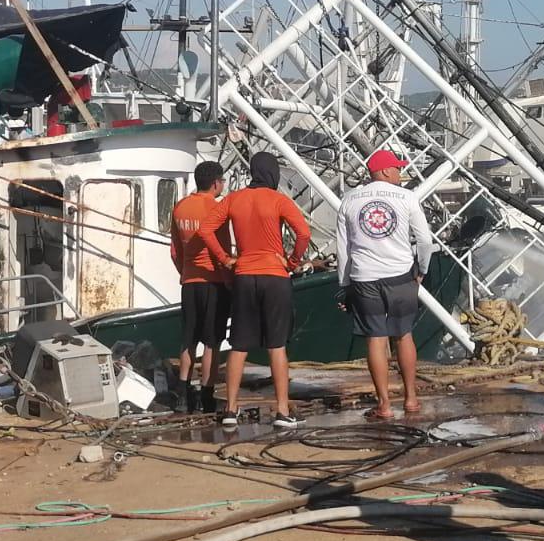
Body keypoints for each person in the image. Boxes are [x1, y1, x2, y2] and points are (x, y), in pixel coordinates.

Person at [204, 152, 311, 428]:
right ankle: (282, 410)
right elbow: (303, 234)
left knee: (238, 345)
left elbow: (205, 230)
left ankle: (230, 409)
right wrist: (292, 262)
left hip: (243, 276)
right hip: (274, 276)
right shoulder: (278, 200)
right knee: (276, 345)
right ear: (273, 173)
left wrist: (225, 259)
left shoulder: (234, 199)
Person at [336, 148, 435, 421]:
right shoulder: (407, 197)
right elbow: (425, 241)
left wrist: (344, 284)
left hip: (365, 278)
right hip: (401, 275)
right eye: (397, 168)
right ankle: (411, 398)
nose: (400, 173)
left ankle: (384, 405)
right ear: (384, 171)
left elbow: (343, 248)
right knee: (404, 334)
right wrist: (421, 271)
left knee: (376, 339)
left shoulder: (349, 200)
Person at [170, 161, 231, 414]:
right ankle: (206, 395)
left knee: (189, 338)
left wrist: (185, 273)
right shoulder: (216, 209)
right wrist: (229, 281)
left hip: (189, 281)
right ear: (216, 183)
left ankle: (182, 395)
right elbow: (223, 250)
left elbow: (175, 251)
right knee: (212, 341)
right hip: (213, 281)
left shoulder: (180, 207)